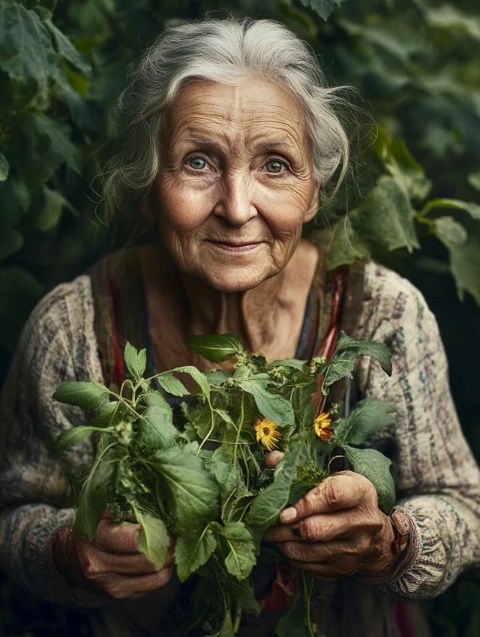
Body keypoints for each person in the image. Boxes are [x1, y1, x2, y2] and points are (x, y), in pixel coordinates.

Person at [0, 17, 479, 637]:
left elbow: (462, 504)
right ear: (149, 186)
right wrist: (65, 551)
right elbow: (12, 510)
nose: (235, 206)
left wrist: (390, 542)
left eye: (276, 165)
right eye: (197, 162)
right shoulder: (72, 329)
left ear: (313, 192)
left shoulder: (387, 316)